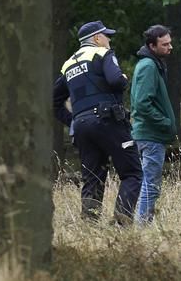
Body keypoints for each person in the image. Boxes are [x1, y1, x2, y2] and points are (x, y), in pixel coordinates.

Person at [53, 20, 143, 224]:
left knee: (92, 178)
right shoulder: (102, 54)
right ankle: (121, 223)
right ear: (96, 38)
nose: (109, 39)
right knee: (132, 173)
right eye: (106, 35)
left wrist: (73, 120)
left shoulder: (68, 64)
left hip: (82, 128)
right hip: (108, 121)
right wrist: (124, 78)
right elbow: (116, 81)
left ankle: (89, 225)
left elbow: (53, 101)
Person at [130, 25, 177, 225]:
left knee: (149, 183)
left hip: (149, 134)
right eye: (164, 44)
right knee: (151, 185)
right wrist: (164, 122)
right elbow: (142, 104)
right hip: (150, 136)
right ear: (152, 46)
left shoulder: (152, 64)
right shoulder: (148, 66)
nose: (170, 47)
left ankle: (142, 223)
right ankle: (142, 227)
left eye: (170, 43)